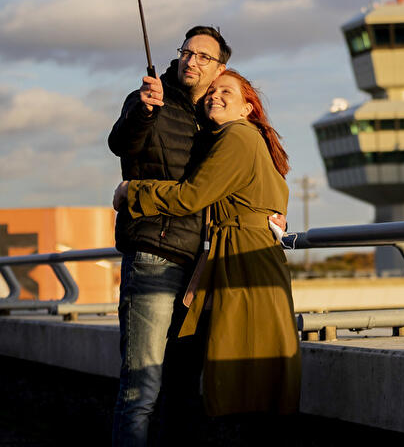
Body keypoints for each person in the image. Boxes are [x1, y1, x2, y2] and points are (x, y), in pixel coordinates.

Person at [109, 26, 285, 445]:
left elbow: (235, 183)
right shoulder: (152, 97)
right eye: (187, 52)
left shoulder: (217, 120)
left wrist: (269, 210)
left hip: (201, 265)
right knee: (142, 387)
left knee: (183, 388)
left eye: (204, 57)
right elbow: (121, 142)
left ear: (219, 68)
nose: (192, 61)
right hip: (155, 252)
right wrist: (142, 111)